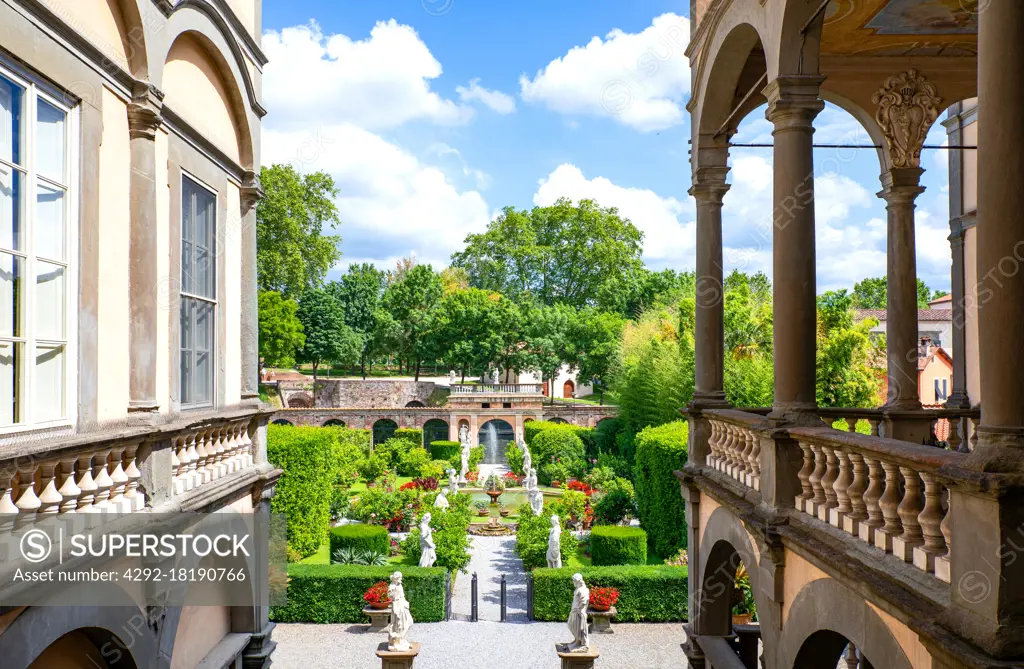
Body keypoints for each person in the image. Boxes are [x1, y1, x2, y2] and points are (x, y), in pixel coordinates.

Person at [387, 571, 414, 651]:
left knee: (408, 621)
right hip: (397, 606)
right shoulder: (392, 586)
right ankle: (397, 641)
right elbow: (390, 596)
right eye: (400, 578)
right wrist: (393, 591)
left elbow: (402, 595)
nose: (401, 579)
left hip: (402, 604)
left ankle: (402, 639)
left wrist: (405, 603)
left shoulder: (399, 585)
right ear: (396, 578)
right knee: (398, 623)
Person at [566, 573, 591, 652]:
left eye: (574, 580)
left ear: (578, 581)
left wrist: (579, 609)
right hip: (574, 610)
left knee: (577, 627)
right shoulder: (578, 588)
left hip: (578, 611)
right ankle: (576, 640)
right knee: (571, 625)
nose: (573, 582)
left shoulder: (583, 589)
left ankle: (579, 642)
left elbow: (584, 601)